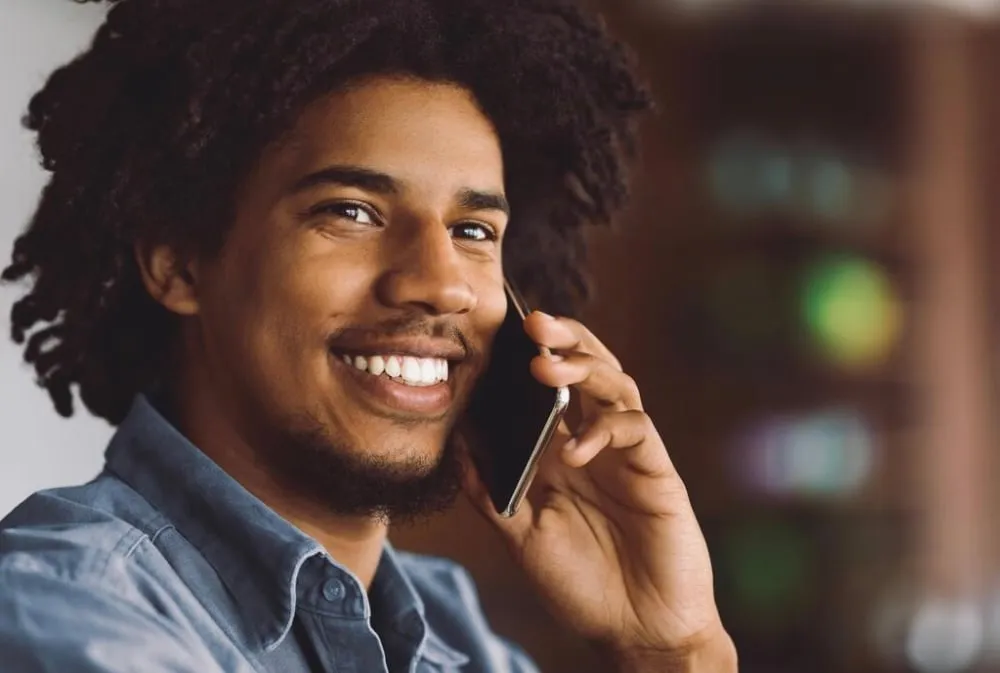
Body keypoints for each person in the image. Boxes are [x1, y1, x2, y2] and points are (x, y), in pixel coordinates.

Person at [0, 0, 737, 671]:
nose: (442, 284)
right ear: (180, 264)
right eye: (351, 212)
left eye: (473, 230)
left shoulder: (460, 637)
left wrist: (670, 650)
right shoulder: (70, 611)